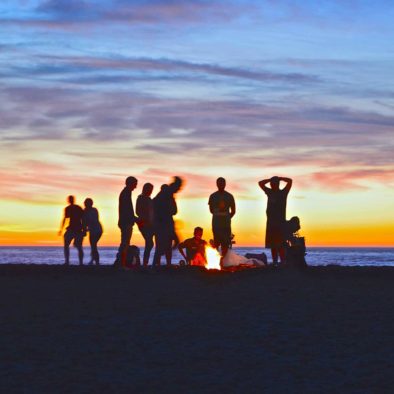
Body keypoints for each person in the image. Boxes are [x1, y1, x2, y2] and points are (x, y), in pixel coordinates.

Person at [259, 176, 292, 265]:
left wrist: (280, 178)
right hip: (271, 223)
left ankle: (282, 262)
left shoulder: (283, 193)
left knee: (281, 244)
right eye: (271, 183)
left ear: (277, 184)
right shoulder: (269, 192)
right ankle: (275, 262)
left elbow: (290, 181)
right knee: (273, 245)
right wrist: (270, 179)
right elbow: (260, 183)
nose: (272, 184)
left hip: (280, 223)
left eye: (274, 183)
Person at [152, 176, 183, 267]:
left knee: (169, 243)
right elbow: (173, 210)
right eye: (179, 187)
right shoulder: (166, 193)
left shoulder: (168, 195)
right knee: (162, 245)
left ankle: (164, 263)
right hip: (163, 223)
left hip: (166, 223)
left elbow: (174, 210)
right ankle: (156, 264)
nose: (179, 189)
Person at [208, 177, 236, 259]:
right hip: (216, 225)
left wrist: (227, 218)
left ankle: (224, 261)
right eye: (219, 183)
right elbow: (211, 210)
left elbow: (233, 211)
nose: (221, 184)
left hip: (226, 225)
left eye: (222, 183)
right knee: (216, 244)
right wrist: (219, 215)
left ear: (225, 184)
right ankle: (216, 262)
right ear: (217, 184)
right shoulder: (212, 196)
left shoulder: (230, 196)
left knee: (225, 244)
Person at [115, 176, 139, 268]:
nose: (135, 187)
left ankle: (121, 263)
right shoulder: (126, 193)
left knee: (125, 243)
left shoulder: (126, 193)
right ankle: (122, 264)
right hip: (126, 222)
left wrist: (134, 218)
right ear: (130, 183)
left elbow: (128, 209)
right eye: (135, 184)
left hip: (125, 221)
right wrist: (135, 219)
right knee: (125, 243)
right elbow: (127, 209)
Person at [58, 195, 85, 265]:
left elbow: (83, 219)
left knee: (78, 246)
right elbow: (65, 218)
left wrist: (84, 229)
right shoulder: (68, 208)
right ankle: (67, 261)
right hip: (72, 228)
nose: (70, 201)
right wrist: (61, 229)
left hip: (78, 228)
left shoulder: (78, 208)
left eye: (71, 199)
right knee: (67, 245)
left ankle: (80, 263)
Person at [136, 183, 154, 267]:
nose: (151, 192)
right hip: (143, 224)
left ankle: (145, 263)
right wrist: (145, 217)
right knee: (149, 242)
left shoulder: (149, 199)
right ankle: (145, 263)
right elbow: (138, 211)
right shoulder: (141, 198)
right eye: (150, 190)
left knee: (149, 243)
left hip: (150, 224)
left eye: (151, 190)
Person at [83, 198, 103, 265]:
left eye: (87, 203)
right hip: (92, 230)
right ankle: (93, 260)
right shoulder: (85, 211)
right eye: (85, 203)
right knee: (93, 246)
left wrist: (86, 229)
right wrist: (85, 229)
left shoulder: (94, 210)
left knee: (93, 245)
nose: (85, 204)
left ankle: (96, 261)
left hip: (97, 230)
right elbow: (84, 221)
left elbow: (94, 220)